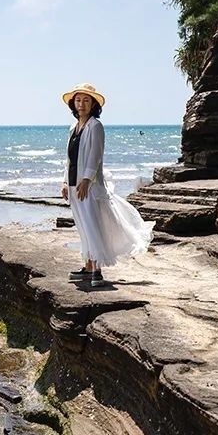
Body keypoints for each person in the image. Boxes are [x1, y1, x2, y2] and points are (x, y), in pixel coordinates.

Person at [61, 83, 153, 288]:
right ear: (73, 104)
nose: (81, 104)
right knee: (83, 226)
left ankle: (97, 271)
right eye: (78, 100)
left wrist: (86, 180)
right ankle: (87, 266)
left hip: (89, 186)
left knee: (93, 225)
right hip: (74, 183)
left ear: (93, 104)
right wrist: (65, 182)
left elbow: (95, 156)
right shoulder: (73, 128)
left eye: (86, 100)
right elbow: (69, 158)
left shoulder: (95, 126)